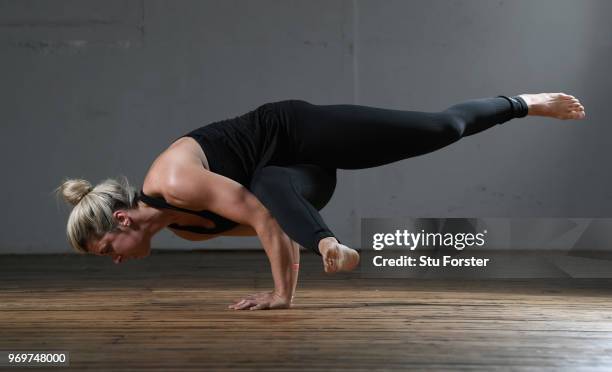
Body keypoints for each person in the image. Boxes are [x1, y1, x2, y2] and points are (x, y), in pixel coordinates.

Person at [56, 92, 586, 310]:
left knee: (441, 128)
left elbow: (263, 216)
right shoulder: (188, 230)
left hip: (302, 134)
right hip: (302, 187)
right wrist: (303, 248)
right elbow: (277, 225)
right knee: (266, 185)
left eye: (109, 248)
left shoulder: (173, 182)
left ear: (123, 218)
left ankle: (524, 102)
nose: (117, 259)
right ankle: (331, 245)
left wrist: (282, 294)